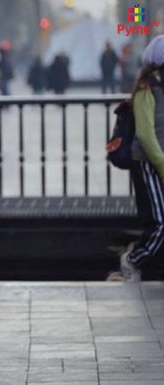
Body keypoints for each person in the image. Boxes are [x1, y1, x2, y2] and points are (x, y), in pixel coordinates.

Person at [119, 36, 164, 282]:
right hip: (147, 163)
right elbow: (146, 135)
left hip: (160, 162)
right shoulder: (147, 89)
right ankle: (132, 260)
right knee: (161, 222)